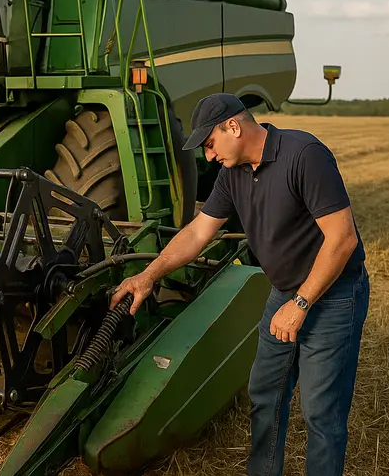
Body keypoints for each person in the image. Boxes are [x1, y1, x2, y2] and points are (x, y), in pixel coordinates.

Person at [110, 93, 369, 476]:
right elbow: (198, 232)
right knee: (265, 396)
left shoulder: (304, 155)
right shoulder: (232, 175)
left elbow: (342, 239)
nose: (209, 156)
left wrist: (300, 304)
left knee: (321, 412)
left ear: (233, 126)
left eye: (210, 144)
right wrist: (148, 275)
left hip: (333, 297)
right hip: (284, 293)